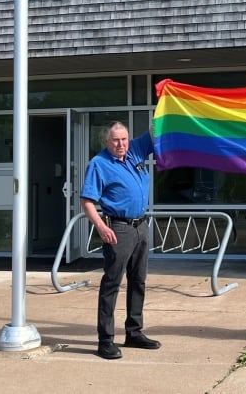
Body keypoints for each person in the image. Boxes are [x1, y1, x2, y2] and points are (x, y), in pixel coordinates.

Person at [80, 121, 161, 360]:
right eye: (115, 140)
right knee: (111, 284)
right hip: (118, 228)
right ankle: (105, 341)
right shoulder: (98, 164)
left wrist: (166, 99)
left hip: (141, 226)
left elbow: (155, 131)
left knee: (139, 282)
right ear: (107, 141)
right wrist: (101, 227)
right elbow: (86, 201)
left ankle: (134, 333)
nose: (121, 144)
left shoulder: (134, 150)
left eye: (124, 139)